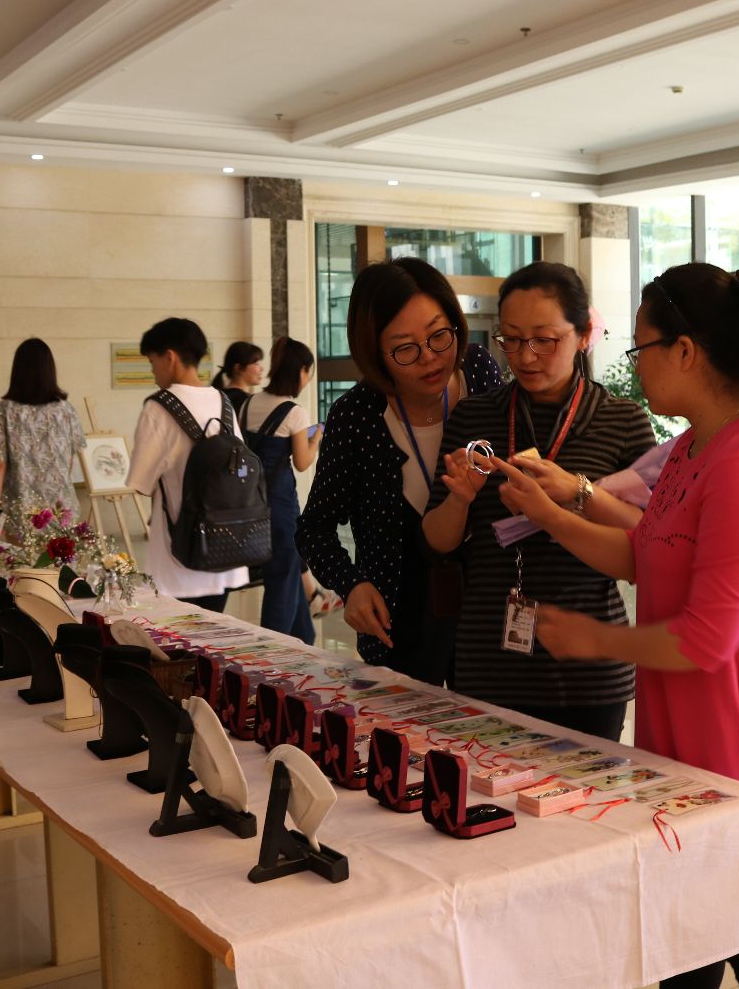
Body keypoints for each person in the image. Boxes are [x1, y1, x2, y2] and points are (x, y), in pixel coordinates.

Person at [491, 262, 739, 989]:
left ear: (686, 351)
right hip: (680, 735)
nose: (635, 364)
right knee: (685, 942)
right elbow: (646, 551)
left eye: (641, 346)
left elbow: (707, 637)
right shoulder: (693, 446)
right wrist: (553, 512)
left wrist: (595, 639)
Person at [423, 261, 655, 742]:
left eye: (544, 340)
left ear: (584, 334)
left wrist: (578, 491)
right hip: (489, 661)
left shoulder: (622, 420)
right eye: (511, 339)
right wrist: (460, 500)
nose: (525, 357)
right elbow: (438, 539)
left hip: (588, 667)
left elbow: (650, 538)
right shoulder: (476, 416)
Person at [296, 258, 503, 681]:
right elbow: (314, 529)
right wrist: (351, 585)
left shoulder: (479, 372)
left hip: (489, 619)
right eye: (406, 348)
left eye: (439, 336)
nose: (430, 358)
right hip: (397, 626)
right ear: (375, 353)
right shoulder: (356, 416)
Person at [125, 317, 250, 612]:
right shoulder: (223, 402)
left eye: (152, 362)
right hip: (225, 548)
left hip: (179, 555)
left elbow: (141, 482)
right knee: (213, 631)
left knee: (177, 636)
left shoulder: (158, 407)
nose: (153, 371)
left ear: (169, 357)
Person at [239, 336, 321, 643]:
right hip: (281, 504)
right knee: (282, 579)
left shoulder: (249, 403)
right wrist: (316, 438)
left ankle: (304, 639)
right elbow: (302, 462)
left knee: (287, 574)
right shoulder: (294, 412)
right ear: (301, 371)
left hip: (251, 501)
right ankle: (273, 650)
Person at [0, 338, 85, 535]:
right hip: (60, 507)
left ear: (17, 371)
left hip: (20, 508)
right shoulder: (66, 411)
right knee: (59, 555)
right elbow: (68, 459)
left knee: (20, 556)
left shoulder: (3, 411)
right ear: (50, 370)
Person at [211, 340, 264, 416]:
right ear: (238, 368)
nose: (262, 369)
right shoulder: (246, 401)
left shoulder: (219, 395)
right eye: (256, 364)